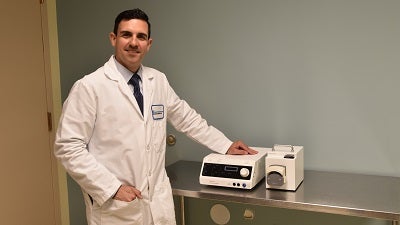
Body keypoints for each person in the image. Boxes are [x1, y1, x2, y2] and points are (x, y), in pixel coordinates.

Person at [54, 8, 257, 225]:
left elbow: (186, 118)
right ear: (113, 39)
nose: (134, 42)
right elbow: (68, 147)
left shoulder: (157, 80)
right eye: (126, 35)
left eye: (141, 37)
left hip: (157, 205)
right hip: (118, 209)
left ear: (149, 44)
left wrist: (225, 145)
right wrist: (112, 188)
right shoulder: (89, 87)